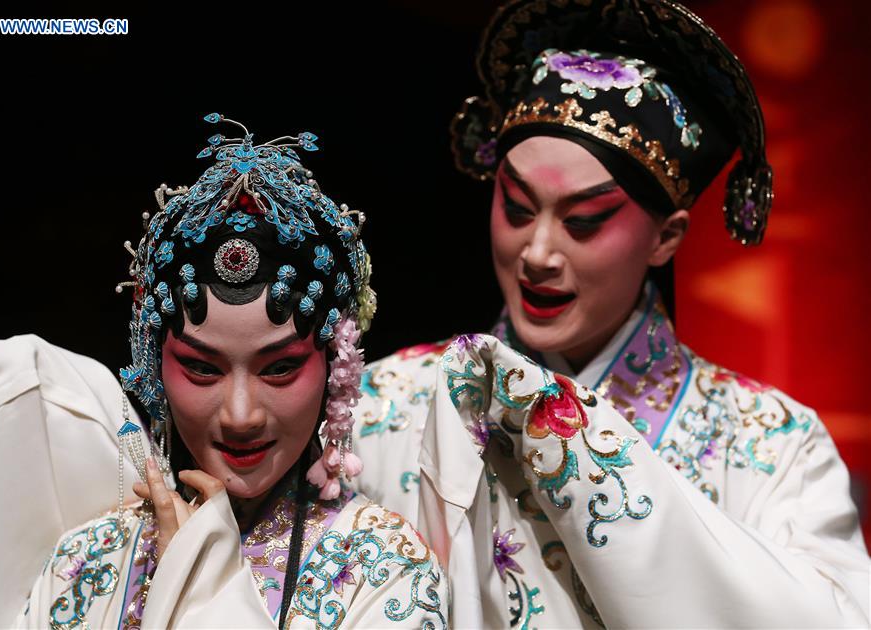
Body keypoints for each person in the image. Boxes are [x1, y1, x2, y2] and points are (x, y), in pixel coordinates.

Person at [350, 1, 870, 627]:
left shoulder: (773, 445)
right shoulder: (377, 407)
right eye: (516, 208)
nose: (537, 253)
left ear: (666, 238)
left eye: (584, 222)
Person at [0, 115, 447, 629]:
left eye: (281, 368)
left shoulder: (386, 572)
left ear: (336, 366)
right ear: (156, 368)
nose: (240, 415)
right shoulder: (88, 563)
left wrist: (200, 589)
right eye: (202, 368)